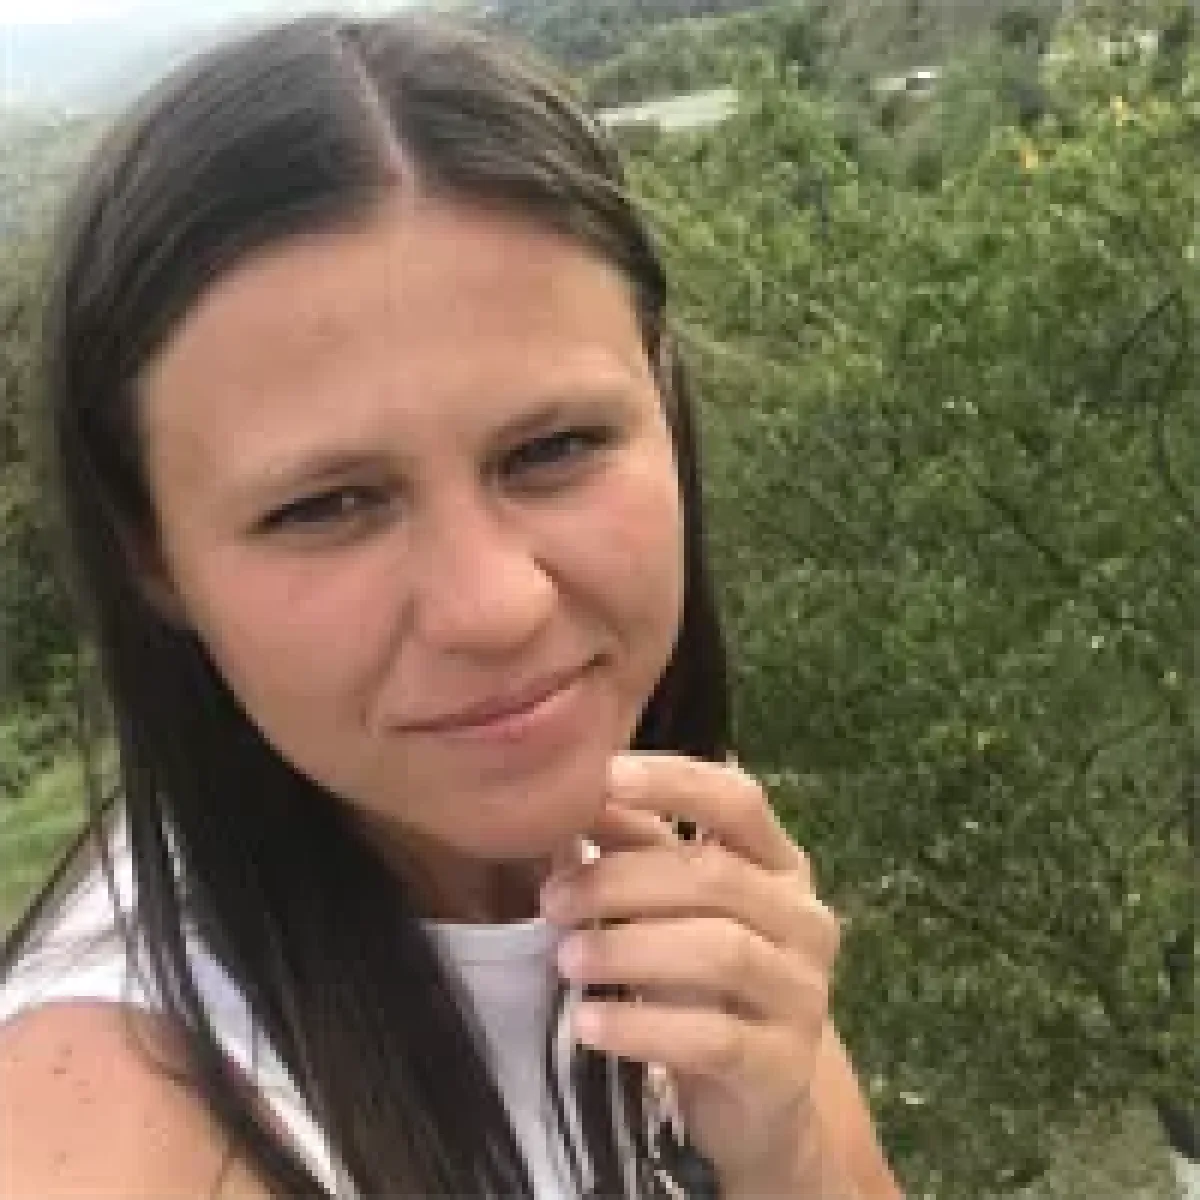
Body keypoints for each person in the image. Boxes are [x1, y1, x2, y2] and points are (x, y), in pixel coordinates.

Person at [0, 12, 903, 1199]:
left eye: (555, 447)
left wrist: (779, 1154)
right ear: (152, 558)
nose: (495, 607)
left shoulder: (674, 862)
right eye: (326, 506)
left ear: (662, 395)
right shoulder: (120, 1131)